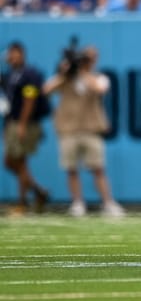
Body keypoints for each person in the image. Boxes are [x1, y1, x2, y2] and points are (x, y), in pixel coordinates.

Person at [42, 46, 125, 217]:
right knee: (71, 168)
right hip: (68, 129)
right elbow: (46, 89)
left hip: (91, 129)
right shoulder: (66, 78)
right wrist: (65, 74)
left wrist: (81, 72)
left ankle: (107, 202)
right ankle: (77, 203)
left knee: (98, 168)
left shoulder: (98, 77)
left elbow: (100, 88)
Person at [1, 42, 49, 215]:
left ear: (22, 54)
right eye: (10, 53)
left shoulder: (29, 74)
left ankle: (23, 203)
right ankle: (38, 191)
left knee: (20, 162)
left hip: (24, 123)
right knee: (12, 162)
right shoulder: (10, 74)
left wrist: (22, 124)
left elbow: (30, 99)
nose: (12, 57)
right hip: (12, 122)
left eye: (15, 53)